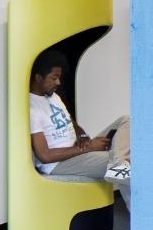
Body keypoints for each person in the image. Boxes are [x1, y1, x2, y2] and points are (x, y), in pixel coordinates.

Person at [29, 52, 132, 196]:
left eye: (59, 78)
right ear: (39, 78)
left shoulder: (54, 96)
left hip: (78, 149)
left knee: (127, 121)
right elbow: (45, 156)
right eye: (54, 78)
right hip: (59, 163)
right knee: (128, 161)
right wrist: (89, 148)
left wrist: (82, 134)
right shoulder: (31, 108)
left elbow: (70, 121)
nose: (58, 82)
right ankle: (119, 166)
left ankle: (118, 165)